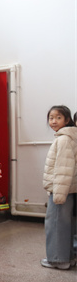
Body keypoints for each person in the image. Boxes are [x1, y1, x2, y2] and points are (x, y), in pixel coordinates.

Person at [41, 105, 77, 270]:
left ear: (67, 120)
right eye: (51, 118)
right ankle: (68, 257)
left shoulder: (63, 139)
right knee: (66, 225)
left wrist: (58, 195)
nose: (54, 121)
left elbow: (63, 169)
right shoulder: (70, 136)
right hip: (68, 190)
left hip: (61, 190)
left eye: (58, 118)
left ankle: (57, 260)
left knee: (56, 224)